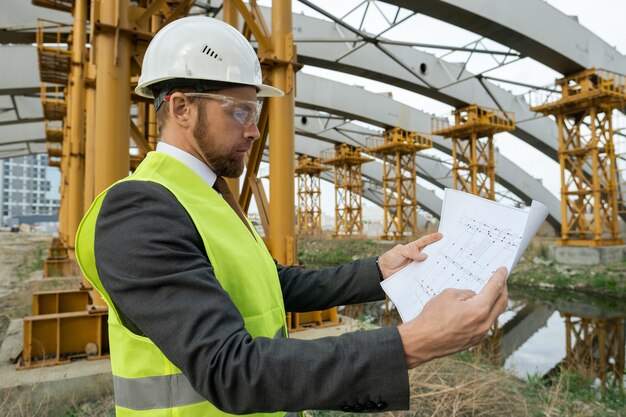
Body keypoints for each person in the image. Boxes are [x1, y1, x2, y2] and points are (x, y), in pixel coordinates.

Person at [75, 16, 508, 417]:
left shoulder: (202, 195)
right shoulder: (138, 212)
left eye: (256, 112)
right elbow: (230, 370)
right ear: (182, 107)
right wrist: (412, 342)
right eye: (239, 111)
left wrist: (380, 271)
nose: (254, 130)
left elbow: (270, 282)